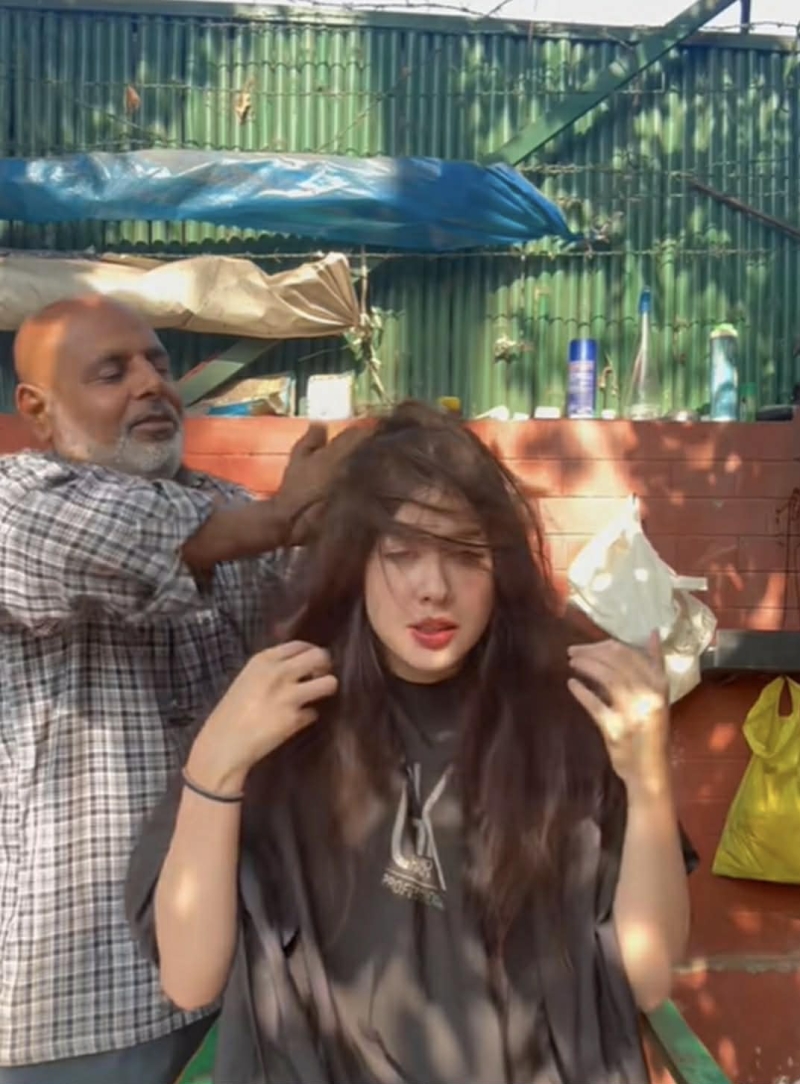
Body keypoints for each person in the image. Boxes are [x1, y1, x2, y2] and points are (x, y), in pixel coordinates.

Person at [128, 401, 690, 1084]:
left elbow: (650, 979)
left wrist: (649, 783)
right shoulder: (270, 719)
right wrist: (216, 767)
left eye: (466, 555)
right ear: (355, 565)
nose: (434, 588)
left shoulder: (572, 717)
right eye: (401, 554)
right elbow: (189, 979)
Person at [0, 295, 362, 1084]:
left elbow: (348, 607)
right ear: (38, 409)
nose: (151, 384)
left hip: (219, 975)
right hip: (73, 1005)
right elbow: (118, 537)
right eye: (112, 372)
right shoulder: (14, 504)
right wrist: (285, 517)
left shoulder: (232, 514)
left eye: (159, 363)